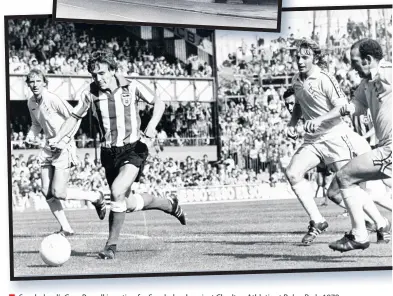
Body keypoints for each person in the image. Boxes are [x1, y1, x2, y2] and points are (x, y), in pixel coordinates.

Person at [49, 50, 186, 260]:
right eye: (94, 75)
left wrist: (151, 127)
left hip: (134, 148)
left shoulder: (132, 86)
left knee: (116, 190)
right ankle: (169, 204)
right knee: (127, 202)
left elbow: (159, 103)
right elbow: (74, 117)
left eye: (102, 73)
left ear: (113, 70)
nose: (98, 78)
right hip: (108, 153)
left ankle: (111, 246)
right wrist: (58, 138)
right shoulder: (90, 94)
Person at [284, 39, 376, 245]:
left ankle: (377, 222)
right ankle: (317, 220)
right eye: (297, 57)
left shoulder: (324, 78)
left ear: (315, 58)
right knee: (292, 173)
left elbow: (342, 107)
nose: (300, 61)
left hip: (335, 137)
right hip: (314, 140)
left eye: (305, 57)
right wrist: (292, 123)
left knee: (347, 185)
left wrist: (318, 119)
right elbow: (298, 105)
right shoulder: (296, 80)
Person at [327, 39, 392, 252]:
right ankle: (373, 227)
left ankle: (360, 234)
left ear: (368, 59)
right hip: (384, 147)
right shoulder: (366, 84)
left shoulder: (387, 73)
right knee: (342, 182)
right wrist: (325, 118)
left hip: (389, 149)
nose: (352, 66)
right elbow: (356, 106)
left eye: (355, 62)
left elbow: (384, 75)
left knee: (344, 177)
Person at [25, 69, 106, 236]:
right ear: (28, 84)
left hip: (64, 146)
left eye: (38, 81)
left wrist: (63, 139)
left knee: (58, 193)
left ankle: (95, 197)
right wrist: (31, 135)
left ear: (44, 83)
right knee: (46, 191)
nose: (34, 85)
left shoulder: (52, 99)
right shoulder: (30, 102)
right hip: (48, 147)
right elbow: (36, 124)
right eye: (31, 82)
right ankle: (66, 228)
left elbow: (74, 118)